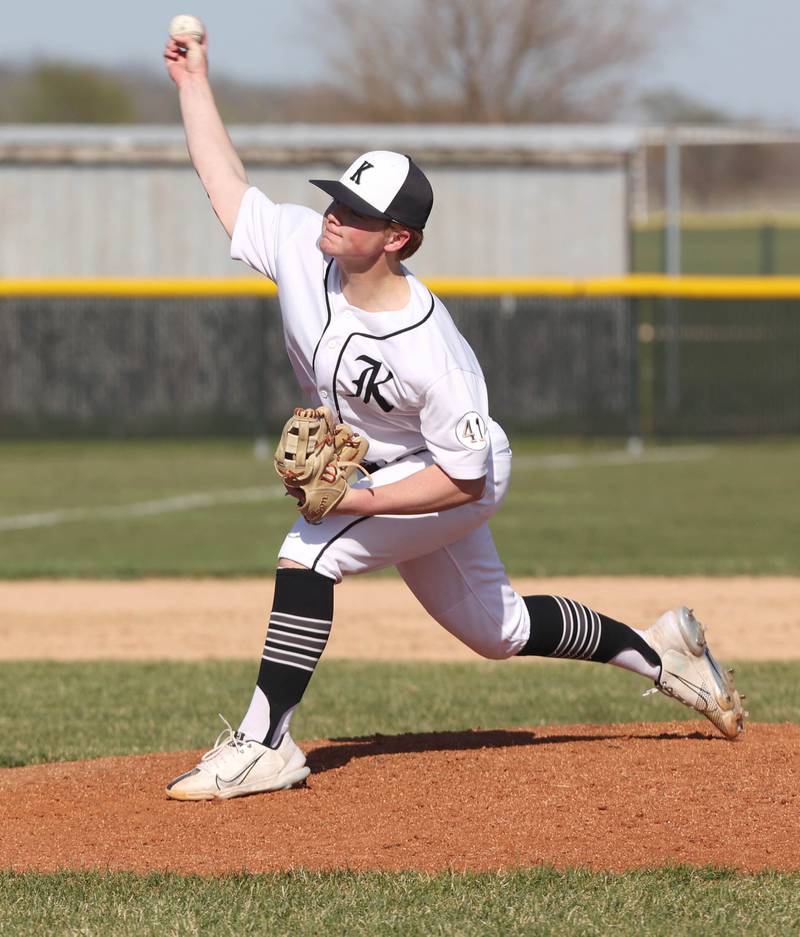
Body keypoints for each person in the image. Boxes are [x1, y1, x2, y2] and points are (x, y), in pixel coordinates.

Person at [163, 28, 745, 801]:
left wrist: (360, 499)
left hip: (449, 472)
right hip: (399, 470)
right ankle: (661, 652)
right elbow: (226, 182)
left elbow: (463, 482)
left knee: (309, 551)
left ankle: (266, 742)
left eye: (356, 210)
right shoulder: (305, 247)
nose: (334, 213)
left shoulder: (430, 350)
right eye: (336, 196)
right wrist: (192, 82)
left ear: (397, 237)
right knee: (496, 630)